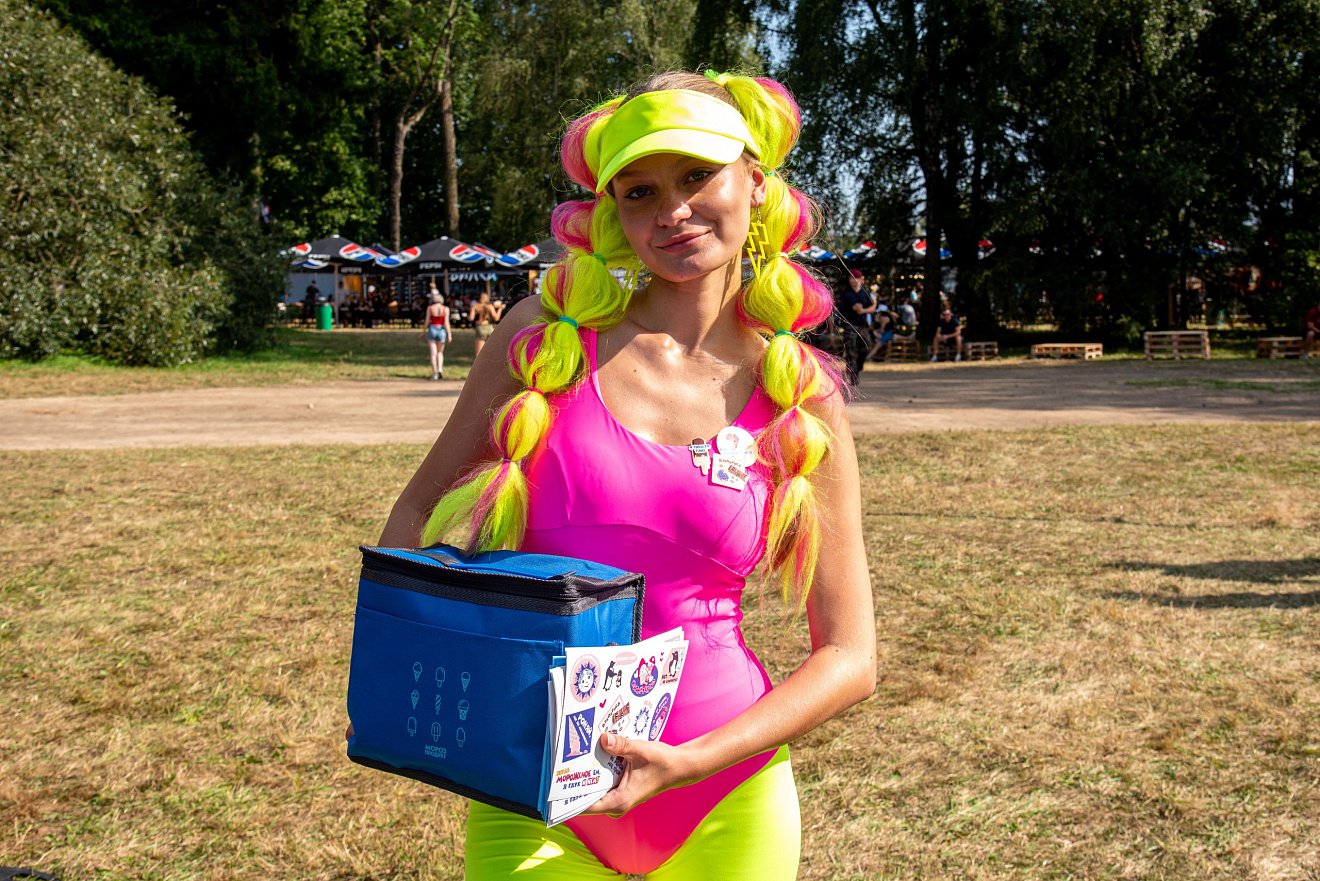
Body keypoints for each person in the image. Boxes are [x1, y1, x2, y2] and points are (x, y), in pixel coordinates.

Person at [366, 69, 875, 880]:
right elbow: (421, 508)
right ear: (613, 211)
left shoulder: (799, 394)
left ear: (755, 181)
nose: (672, 209)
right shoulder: (544, 340)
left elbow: (850, 655)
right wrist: (400, 668)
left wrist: (694, 760)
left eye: (697, 175)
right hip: (532, 788)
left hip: (723, 794)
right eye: (640, 191)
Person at [839, 269, 875, 384]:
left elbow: (872, 307)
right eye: (851, 278)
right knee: (851, 350)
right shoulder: (845, 294)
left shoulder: (865, 293)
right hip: (850, 326)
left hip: (862, 325)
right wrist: (852, 308)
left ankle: (858, 367)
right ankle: (853, 374)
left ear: (860, 279)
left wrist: (863, 310)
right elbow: (840, 308)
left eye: (855, 278)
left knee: (865, 347)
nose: (853, 281)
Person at [468, 291, 504, 358]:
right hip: (489, 327)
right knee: (490, 350)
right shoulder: (490, 306)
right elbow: (496, 318)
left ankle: (480, 364)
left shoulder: (475, 306)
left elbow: (471, 318)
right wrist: (500, 309)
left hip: (480, 328)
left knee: (478, 354)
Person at [424, 292, 451, 380]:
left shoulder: (430, 308)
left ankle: (434, 373)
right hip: (442, 330)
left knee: (433, 353)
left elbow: (427, 321)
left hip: (432, 329)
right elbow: (446, 322)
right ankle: (440, 368)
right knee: (440, 352)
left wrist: (423, 331)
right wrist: (449, 333)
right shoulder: (445, 309)